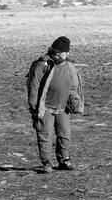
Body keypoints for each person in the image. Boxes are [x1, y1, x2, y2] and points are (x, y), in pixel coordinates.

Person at [26, 36, 85, 173]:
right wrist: (34, 107)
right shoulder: (41, 65)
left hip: (63, 108)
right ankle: (47, 163)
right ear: (57, 52)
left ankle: (64, 160)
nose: (68, 54)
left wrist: (75, 103)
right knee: (44, 135)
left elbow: (73, 87)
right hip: (44, 108)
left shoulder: (69, 67)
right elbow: (33, 87)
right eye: (66, 52)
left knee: (65, 134)